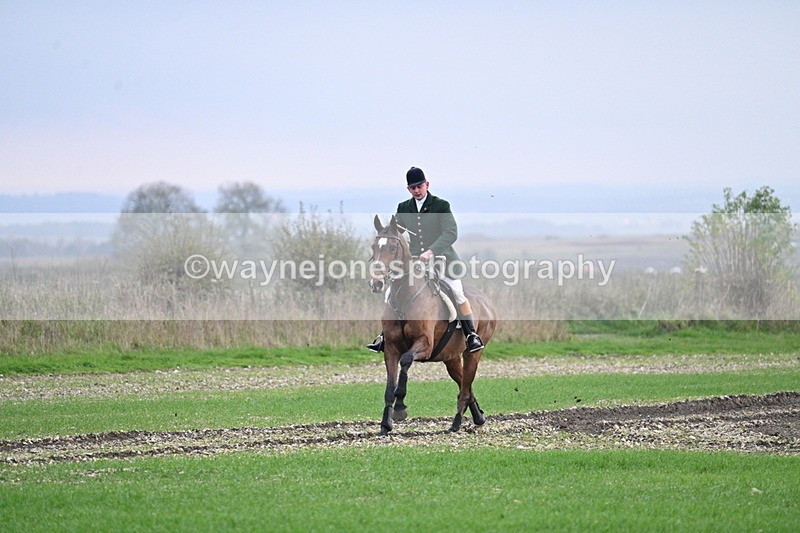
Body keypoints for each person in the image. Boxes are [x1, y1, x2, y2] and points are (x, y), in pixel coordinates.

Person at [367, 166, 485, 353]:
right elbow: (396, 232)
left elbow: (451, 232)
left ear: (427, 185)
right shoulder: (403, 208)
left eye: (419, 186)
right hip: (415, 261)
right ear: (408, 189)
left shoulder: (441, 205)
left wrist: (431, 251)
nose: (417, 190)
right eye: (413, 188)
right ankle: (384, 336)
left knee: (457, 292)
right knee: (391, 292)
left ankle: (471, 335)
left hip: (443, 260)